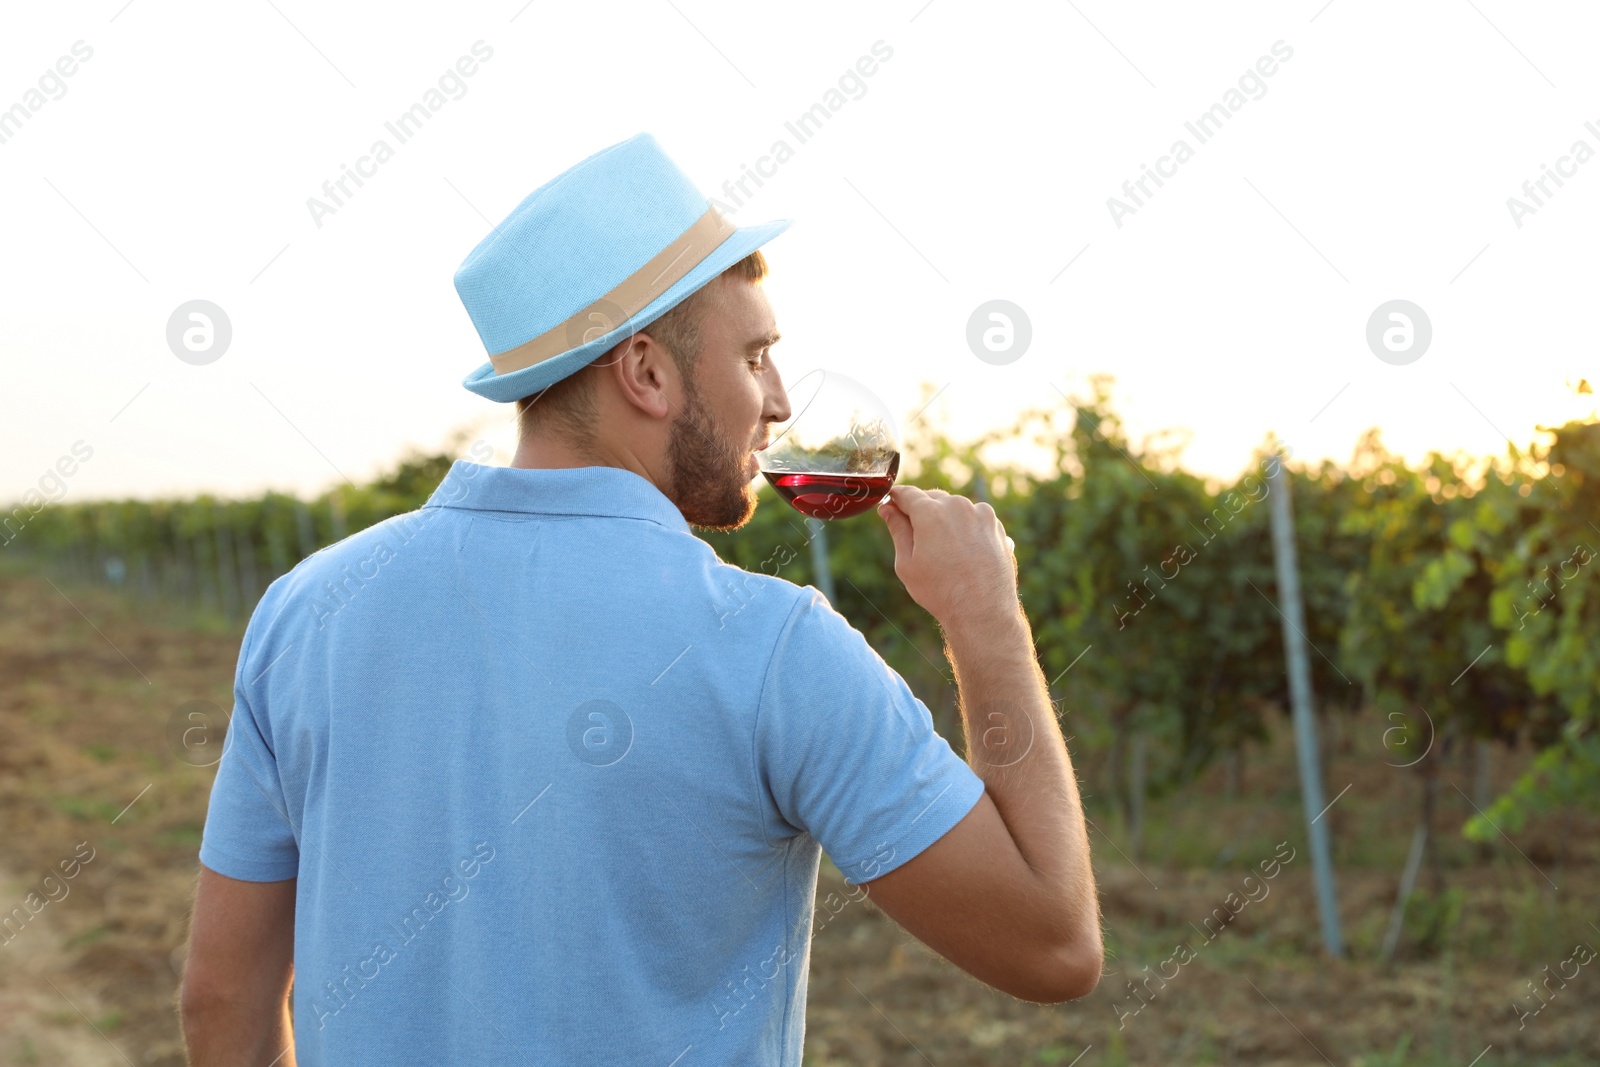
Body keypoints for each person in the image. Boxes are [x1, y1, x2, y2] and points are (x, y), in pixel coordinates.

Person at [179, 132, 1102, 1066]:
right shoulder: (774, 648)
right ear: (648, 372)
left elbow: (221, 1004)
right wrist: (987, 620)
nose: (779, 401)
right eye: (755, 357)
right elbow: (1053, 943)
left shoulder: (305, 611)